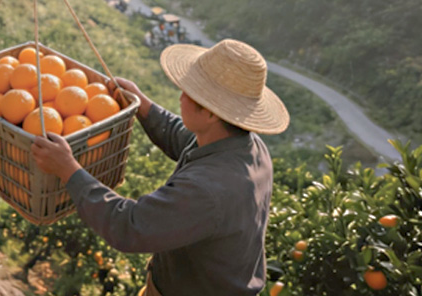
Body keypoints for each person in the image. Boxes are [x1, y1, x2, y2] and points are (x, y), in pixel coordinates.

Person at [31, 38, 290, 296]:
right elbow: (182, 136)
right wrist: (142, 105)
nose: (180, 97)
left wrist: (68, 169)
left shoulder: (208, 190)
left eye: (189, 93)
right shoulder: (245, 145)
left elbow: (129, 226)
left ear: (211, 113)